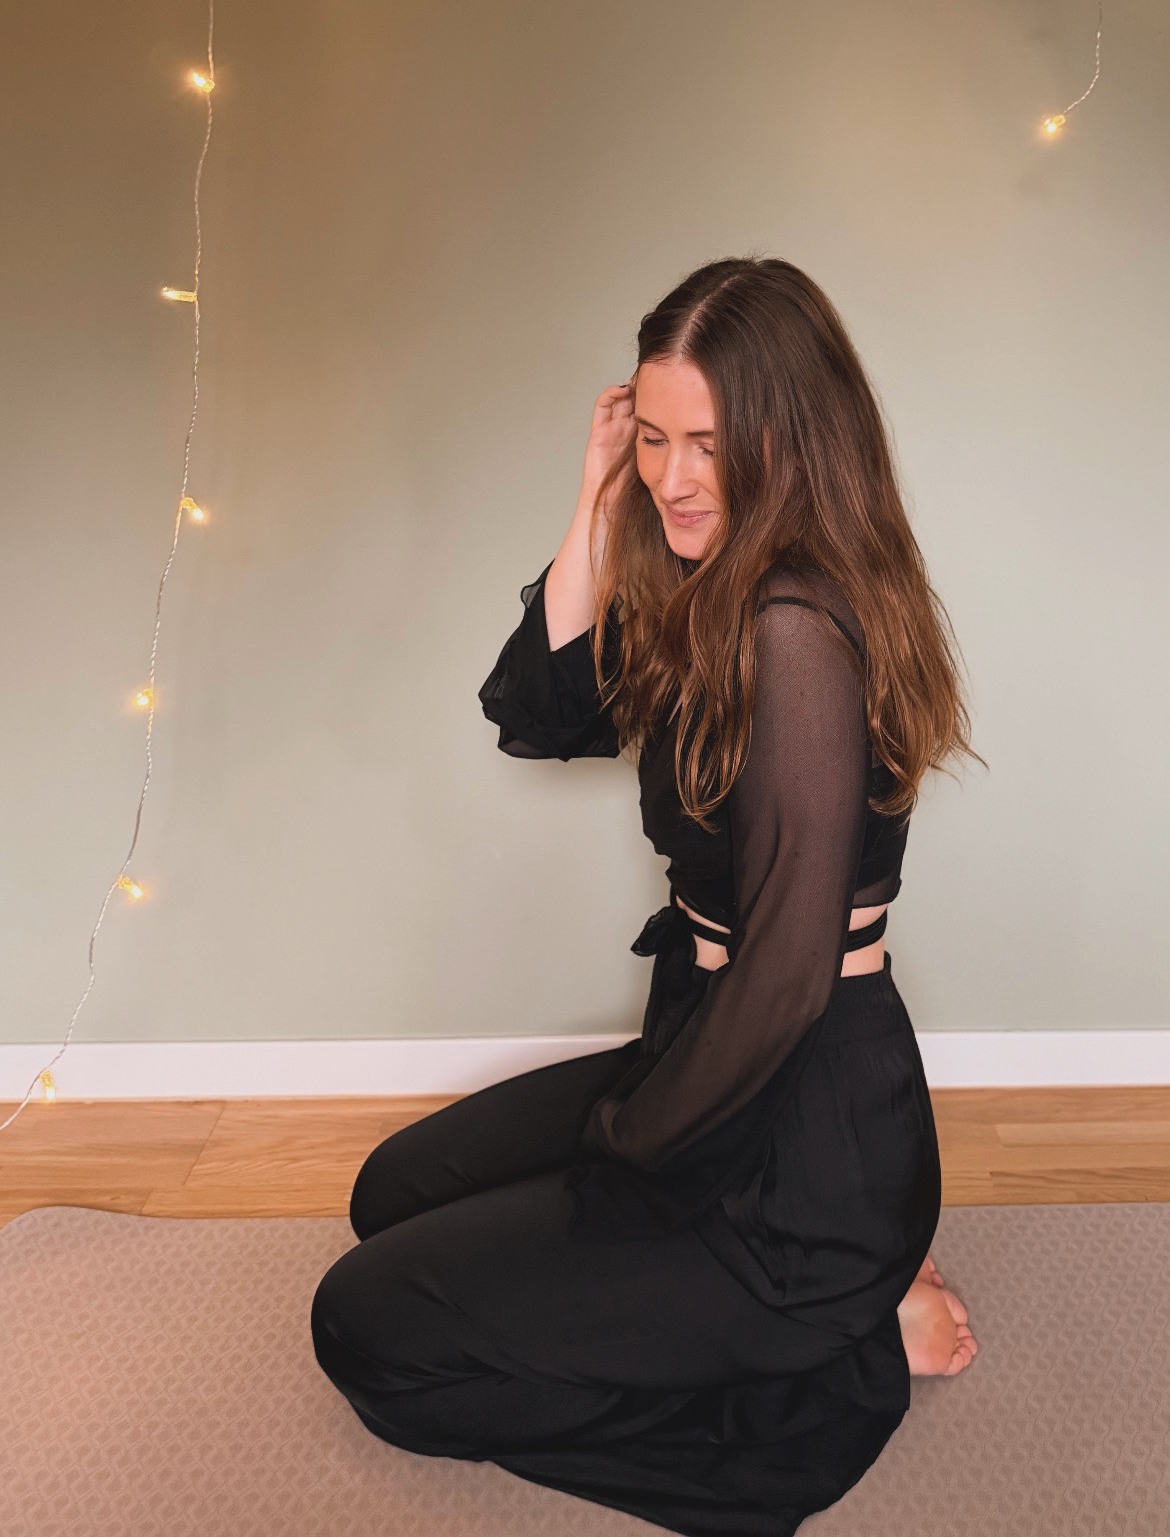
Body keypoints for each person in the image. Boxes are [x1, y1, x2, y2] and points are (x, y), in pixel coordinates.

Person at [312, 256, 981, 1537]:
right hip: (702, 1043)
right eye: (658, 439)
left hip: (798, 1146)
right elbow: (541, 712)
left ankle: (851, 1331)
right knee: (389, 1196)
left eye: (711, 446)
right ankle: (842, 1290)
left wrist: (628, 1155)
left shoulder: (794, 624)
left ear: (793, 439)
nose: (677, 476)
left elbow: (785, 981)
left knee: (367, 1328)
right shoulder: (705, 584)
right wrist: (595, 491)